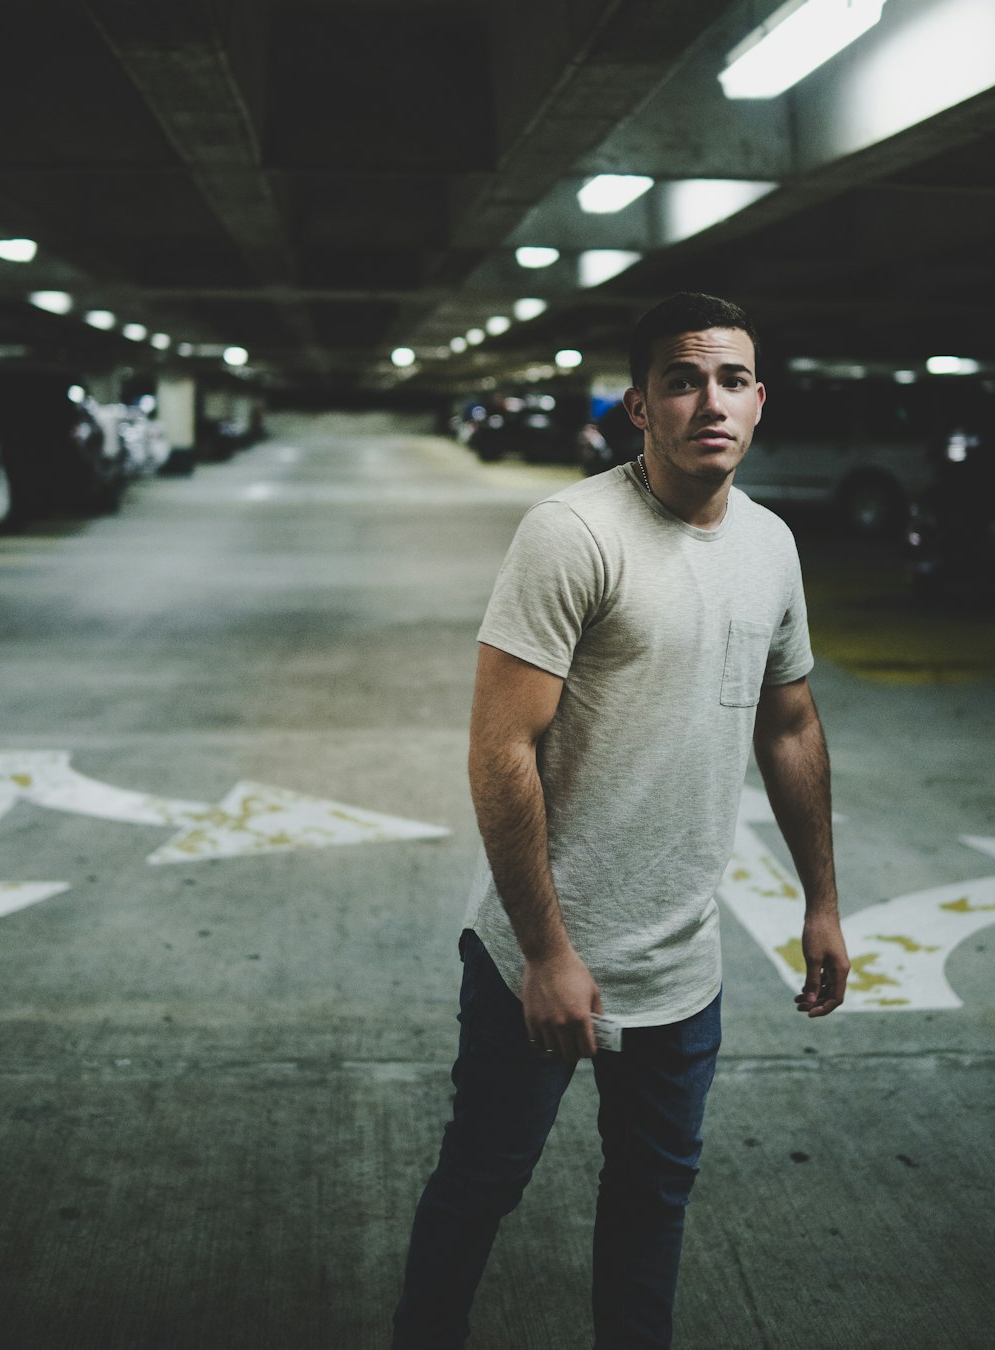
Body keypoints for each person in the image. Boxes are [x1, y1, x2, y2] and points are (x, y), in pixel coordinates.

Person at [392, 291, 851, 1349]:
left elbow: (789, 723)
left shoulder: (772, 547)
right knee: (481, 1187)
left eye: (731, 380)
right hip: (542, 960)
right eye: (683, 381)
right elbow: (500, 749)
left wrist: (822, 901)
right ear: (638, 406)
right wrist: (547, 956)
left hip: (684, 966)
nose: (710, 402)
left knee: (654, 1202)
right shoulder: (573, 535)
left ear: (759, 400)